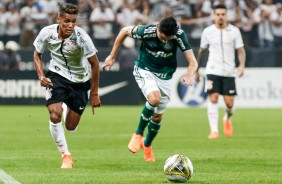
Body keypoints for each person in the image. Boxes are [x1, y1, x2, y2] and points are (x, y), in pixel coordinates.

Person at [102, 16, 198, 162]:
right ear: (158, 28)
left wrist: (189, 75)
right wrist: (112, 55)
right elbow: (124, 31)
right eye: (162, 37)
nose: (165, 41)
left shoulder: (179, 35)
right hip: (144, 69)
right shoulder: (146, 31)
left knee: (157, 117)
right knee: (154, 98)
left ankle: (147, 145)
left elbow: (192, 62)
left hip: (165, 76)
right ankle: (138, 134)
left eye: (168, 38)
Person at [33, 3, 101, 169]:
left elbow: (95, 64)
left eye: (74, 21)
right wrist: (41, 75)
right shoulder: (47, 32)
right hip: (57, 76)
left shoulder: (82, 37)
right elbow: (37, 53)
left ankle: (65, 104)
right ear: (59, 20)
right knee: (55, 115)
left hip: (80, 82)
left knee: (71, 127)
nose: (71, 25)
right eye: (67, 21)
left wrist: (94, 93)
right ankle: (66, 155)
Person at [195, 4, 246, 139]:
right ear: (214, 16)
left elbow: (240, 50)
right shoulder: (208, 32)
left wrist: (241, 65)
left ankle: (227, 119)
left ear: (227, 16)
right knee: (213, 98)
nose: (220, 17)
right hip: (213, 69)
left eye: (223, 14)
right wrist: (196, 70)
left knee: (229, 103)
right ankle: (214, 131)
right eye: (218, 14)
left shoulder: (234, 31)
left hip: (229, 71)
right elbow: (201, 51)